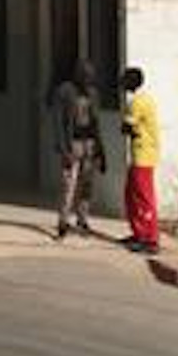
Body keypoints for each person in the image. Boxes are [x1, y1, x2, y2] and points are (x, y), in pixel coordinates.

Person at [52, 60, 103, 239]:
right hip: (72, 143)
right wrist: (63, 148)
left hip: (89, 142)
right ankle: (63, 221)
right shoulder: (64, 91)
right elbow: (58, 121)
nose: (88, 81)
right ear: (77, 75)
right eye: (86, 77)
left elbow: (96, 122)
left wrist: (101, 151)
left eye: (91, 78)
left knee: (87, 184)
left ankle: (82, 219)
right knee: (69, 184)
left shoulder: (93, 93)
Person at [121, 65, 163, 254]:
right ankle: (139, 232)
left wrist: (127, 126)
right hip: (142, 153)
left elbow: (126, 127)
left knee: (143, 197)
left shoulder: (137, 102)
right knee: (131, 195)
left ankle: (150, 238)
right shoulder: (145, 99)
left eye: (125, 80)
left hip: (143, 155)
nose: (122, 84)